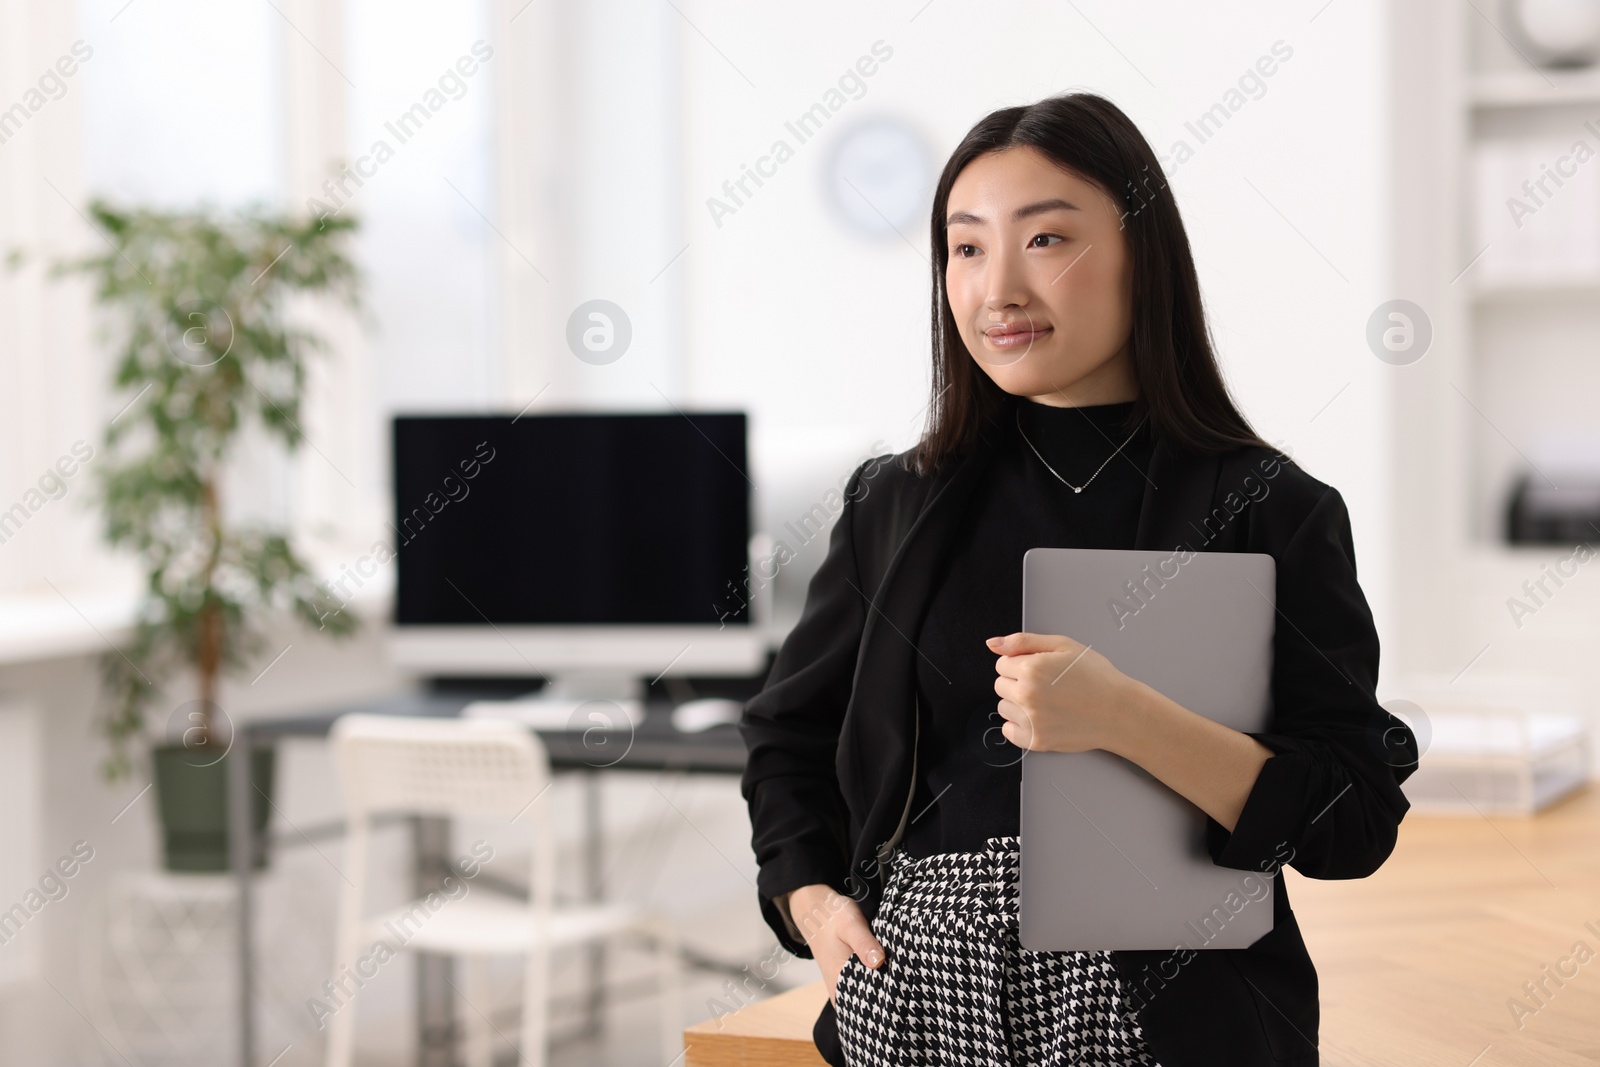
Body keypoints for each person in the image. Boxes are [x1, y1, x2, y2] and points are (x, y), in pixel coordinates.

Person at [738, 91, 1418, 1067]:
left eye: (1046, 239)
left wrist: (1125, 716)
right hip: (916, 1003)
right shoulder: (892, 501)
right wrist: (807, 894)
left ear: (1144, 253)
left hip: (1170, 1014)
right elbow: (784, 729)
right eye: (965, 248)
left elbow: (1351, 819)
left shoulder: (1270, 507)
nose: (998, 288)